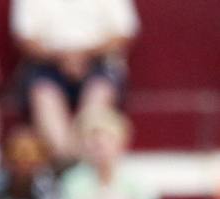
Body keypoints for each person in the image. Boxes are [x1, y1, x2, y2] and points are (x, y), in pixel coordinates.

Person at [11, 0, 139, 165]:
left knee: (100, 91)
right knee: (43, 94)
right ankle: (68, 160)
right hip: (46, 63)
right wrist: (63, 58)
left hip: (99, 62)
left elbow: (123, 33)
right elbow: (25, 38)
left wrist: (83, 56)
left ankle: (74, 162)